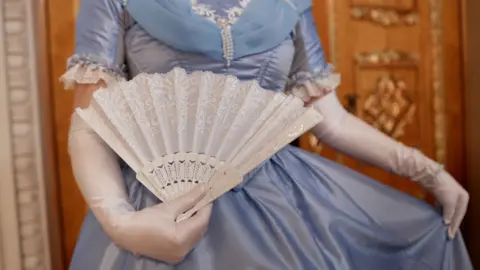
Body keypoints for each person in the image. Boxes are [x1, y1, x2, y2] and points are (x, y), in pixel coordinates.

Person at [63, 0, 473, 269]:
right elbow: (90, 123)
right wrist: (119, 222)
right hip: (158, 205)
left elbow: (331, 120)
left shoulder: (290, 3)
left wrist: (427, 172)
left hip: (276, 202)